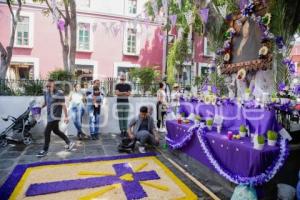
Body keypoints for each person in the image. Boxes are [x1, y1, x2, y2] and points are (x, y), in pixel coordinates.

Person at [37, 79, 75, 157]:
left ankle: (45, 150)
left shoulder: (59, 93)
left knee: (46, 132)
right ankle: (69, 142)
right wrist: (39, 107)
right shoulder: (46, 93)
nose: (48, 88)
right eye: (46, 86)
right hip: (49, 116)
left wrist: (66, 117)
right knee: (56, 131)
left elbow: (63, 105)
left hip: (55, 116)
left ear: (53, 85)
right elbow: (45, 102)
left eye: (49, 86)